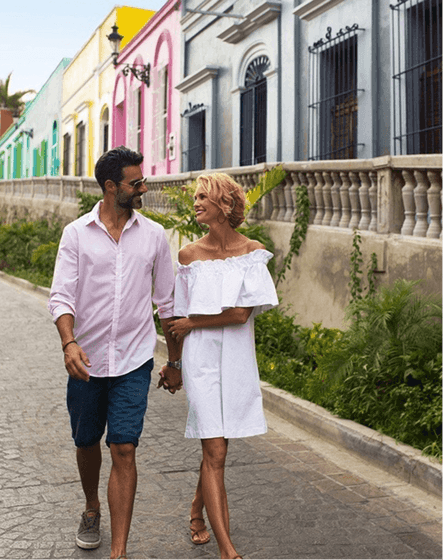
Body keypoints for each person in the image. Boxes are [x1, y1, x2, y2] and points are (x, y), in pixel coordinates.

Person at [48, 146, 182, 560]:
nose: (144, 187)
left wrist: (174, 362)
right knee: (86, 441)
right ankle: (92, 507)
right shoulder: (76, 234)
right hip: (85, 361)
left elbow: (169, 304)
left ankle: (118, 552)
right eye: (136, 182)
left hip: (133, 360)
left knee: (124, 448)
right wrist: (69, 342)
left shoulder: (155, 236)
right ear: (111, 187)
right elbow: (61, 297)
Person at [167, 172, 278, 560]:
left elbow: (239, 314)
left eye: (202, 197)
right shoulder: (188, 256)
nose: (195, 203)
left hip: (235, 360)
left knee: (219, 447)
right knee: (214, 448)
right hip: (199, 361)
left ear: (224, 205)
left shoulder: (252, 253)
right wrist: (174, 364)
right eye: (195, 197)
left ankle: (197, 509)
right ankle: (228, 552)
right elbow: (173, 318)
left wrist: (195, 321)